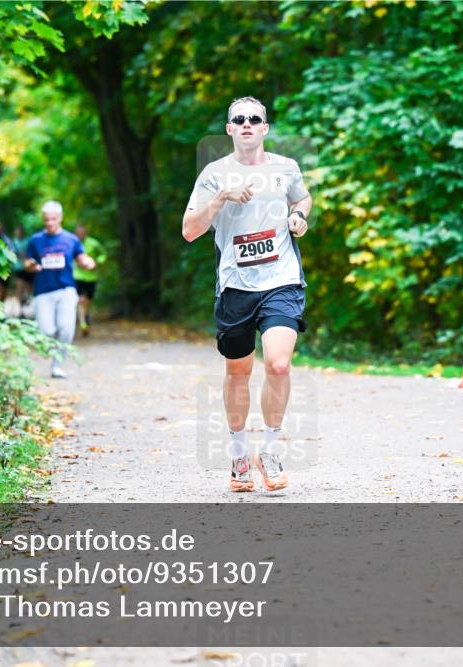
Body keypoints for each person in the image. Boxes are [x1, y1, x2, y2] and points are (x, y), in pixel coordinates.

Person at [182, 96, 312, 493]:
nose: (247, 124)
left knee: (277, 364)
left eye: (255, 119)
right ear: (229, 129)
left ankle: (269, 450)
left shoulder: (285, 168)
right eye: (239, 119)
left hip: (281, 279)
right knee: (238, 371)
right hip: (236, 286)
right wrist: (221, 198)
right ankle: (240, 454)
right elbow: (189, 230)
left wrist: (299, 216)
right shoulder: (214, 174)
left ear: (265, 128)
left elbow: (302, 197)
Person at [25, 200, 96, 379]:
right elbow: (27, 262)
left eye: (53, 219)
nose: (50, 223)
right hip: (43, 291)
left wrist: (87, 262)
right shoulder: (36, 240)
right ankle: (51, 352)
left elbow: (81, 257)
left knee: (65, 329)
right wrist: (31, 265)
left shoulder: (71, 239)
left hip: (66, 290)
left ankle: (57, 365)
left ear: (60, 218)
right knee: (47, 331)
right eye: (46, 219)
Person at [73, 224, 107, 337]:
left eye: (82, 234)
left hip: (91, 277)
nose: (80, 236)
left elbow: (103, 254)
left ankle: (86, 316)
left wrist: (97, 262)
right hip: (77, 276)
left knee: (88, 301)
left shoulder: (93, 243)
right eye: (78, 234)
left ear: (86, 233)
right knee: (81, 299)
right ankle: (82, 323)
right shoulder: (72, 243)